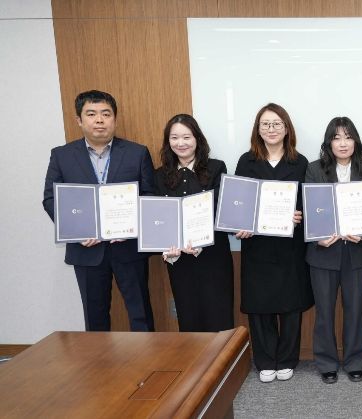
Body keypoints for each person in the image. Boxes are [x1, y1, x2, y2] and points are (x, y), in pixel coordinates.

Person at [42, 90, 155, 331]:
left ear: (115, 119)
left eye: (106, 113)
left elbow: (149, 197)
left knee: (141, 314)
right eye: (91, 114)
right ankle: (99, 358)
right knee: (95, 318)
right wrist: (76, 232)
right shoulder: (62, 156)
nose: (99, 120)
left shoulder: (137, 153)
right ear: (79, 120)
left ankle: (148, 355)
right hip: (86, 250)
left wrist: (132, 226)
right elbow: (51, 199)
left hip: (128, 247)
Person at [235, 103, 313, 382]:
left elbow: (309, 203)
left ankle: (287, 359)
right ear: (258, 129)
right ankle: (265, 359)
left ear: (287, 128)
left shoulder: (300, 162)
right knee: (260, 304)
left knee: (291, 304)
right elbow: (238, 202)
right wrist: (240, 223)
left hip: (290, 246)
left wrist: (299, 215)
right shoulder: (246, 161)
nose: (271, 129)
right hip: (257, 246)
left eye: (277, 123)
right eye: (265, 124)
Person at [305, 117, 362, 384]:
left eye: (348, 137)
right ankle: (326, 363)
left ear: (355, 141)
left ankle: (355, 361)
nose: (343, 143)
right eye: (336, 138)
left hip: (355, 251)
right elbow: (309, 208)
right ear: (329, 143)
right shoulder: (314, 169)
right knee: (324, 311)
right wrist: (317, 238)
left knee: (355, 309)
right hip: (323, 252)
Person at [154, 114, 234, 332]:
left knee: (219, 317)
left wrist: (199, 241)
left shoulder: (216, 168)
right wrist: (166, 247)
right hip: (179, 259)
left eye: (187, 137)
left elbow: (221, 209)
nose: (181, 143)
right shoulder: (160, 175)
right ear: (168, 141)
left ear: (197, 138)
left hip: (213, 256)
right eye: (174, 138)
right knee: (188, 318)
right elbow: (158, 217)